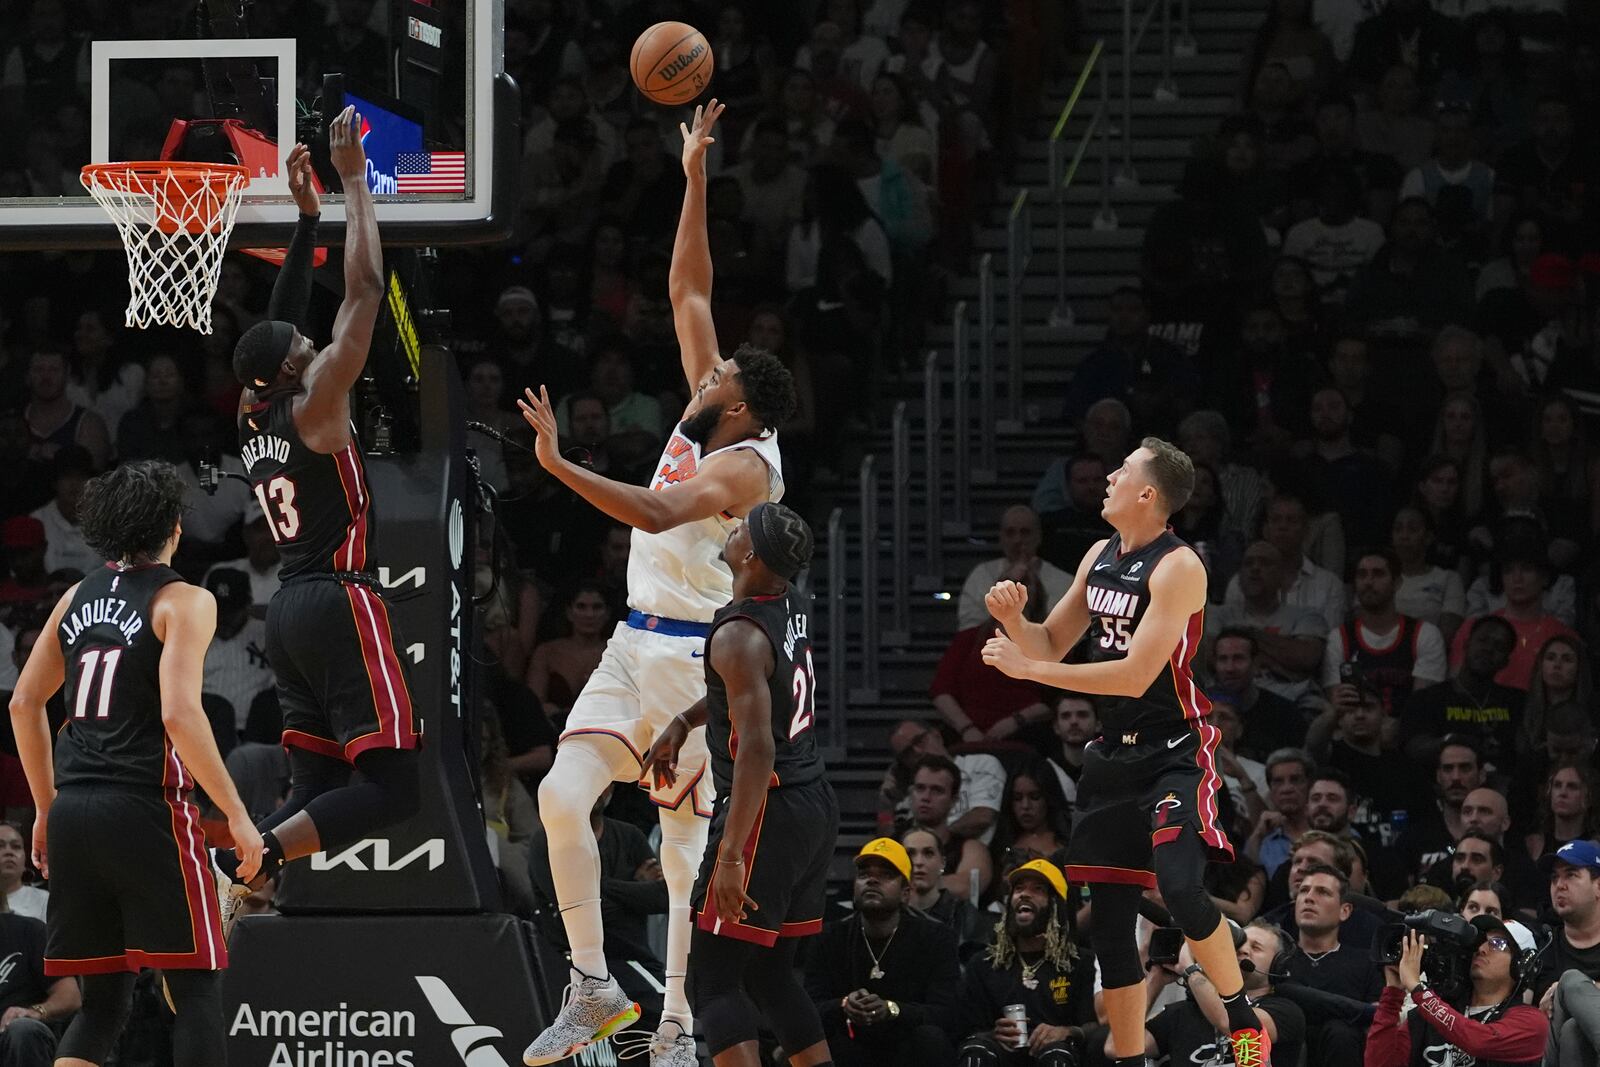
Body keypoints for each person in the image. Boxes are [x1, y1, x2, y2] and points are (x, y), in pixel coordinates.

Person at [517, 101, 797, 1065]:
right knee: (561, 796)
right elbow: (688, 289)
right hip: (632, 643)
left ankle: (677, 1022)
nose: (703, 371)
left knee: (682, 855)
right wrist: (693, 178)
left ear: (741, 405)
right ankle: (592, 984)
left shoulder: (745, 468)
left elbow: (654, 512)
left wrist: (559, 466)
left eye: (717, 378)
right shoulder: (708, 404)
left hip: (693, 659)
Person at [980, 438, 1273, 1066]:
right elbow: (1052, 642)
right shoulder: (1097, 554)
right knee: (1111, 931)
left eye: (1121, 471)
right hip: (1112, 756)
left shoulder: (1180, 566)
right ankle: (1129, 1060)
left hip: (1174, 749)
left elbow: (1135, 675)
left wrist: (1027, 667)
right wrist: (1014, 622)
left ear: (1148, 494)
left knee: (1182, 888)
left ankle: (1243, 1019)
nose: (1107, 477)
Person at [6, 460, 262, 1067]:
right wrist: (238, 813)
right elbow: (180, 715)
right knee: (197, 989)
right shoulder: (186, 600)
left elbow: (23, 702)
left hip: (74, 814)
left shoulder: (75, 595)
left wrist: (45, 809)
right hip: (145, 811)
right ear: (174, 526)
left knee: (103, 1010)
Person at [226, 117, 423, 896]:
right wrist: (350, 183)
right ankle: (257, 857)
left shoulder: (252, 407)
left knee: (312, 788)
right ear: (293, 370)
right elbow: (366, 290)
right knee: (394, 789)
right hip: (342, 600)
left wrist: (304, 222)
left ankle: (244, 868)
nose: (315, 343)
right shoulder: (317, 402)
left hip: (288, 613)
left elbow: (281, 324)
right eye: (305, 347)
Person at [638, 503, 836, 1067]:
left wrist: (729, 855)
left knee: (715, 979)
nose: (732, 529)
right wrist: (683, 721)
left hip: (768, 805)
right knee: (772, 977)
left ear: (750, 555)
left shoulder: (737, 636)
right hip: (812, 802)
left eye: (742, 527)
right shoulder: (787, 604)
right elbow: (749, 692)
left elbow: (757, 748)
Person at [802, 839, 961, 1067]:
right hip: (850, 1046)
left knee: (930, 1038)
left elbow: (947, 1013)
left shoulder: (935, 937)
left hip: (907, 1047)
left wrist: (892, 1010)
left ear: (905, 893)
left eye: (886, 875)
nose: (872, 880)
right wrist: (844, 1005)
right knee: (819, 1041)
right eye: (864, 874)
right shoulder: (829, 937)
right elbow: (810, 1006)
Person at [956, 860, 1095, 1067]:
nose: (1024, 894)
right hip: (1001, 1053)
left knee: (1057, 1057)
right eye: (1019, 889)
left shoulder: (1080, 963)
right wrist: (994, 1032)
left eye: (1038, 889)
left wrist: (1067, 1031)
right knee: (976, 1052)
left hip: (1056, 1052)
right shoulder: (984, 963)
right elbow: (967, 1028)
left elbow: (1097, 1025)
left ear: (1056, 905)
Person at [1366, 921, 1547, 1067]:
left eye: (1497, 943)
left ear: (1522, 965)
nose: (1481, 949)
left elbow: (1479, 1042)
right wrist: (1393, 994)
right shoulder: (1427, 1014)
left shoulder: (1532, 1022)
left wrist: (1417, 988)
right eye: (1481, 942)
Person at [1134, 920, 1306, 1067]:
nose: (1242, 950)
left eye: (1256, 947)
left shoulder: (1287, 1012)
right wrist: (1156, 979)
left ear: (1278, 965)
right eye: (1238, 945)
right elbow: (1119, 1047)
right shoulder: (1181, 1013)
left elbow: (1234, 1024)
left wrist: (1190, 971)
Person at [1320, 549, 1447, 718]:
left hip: (1409, 734)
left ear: (1397, 583)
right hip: (1356, 733)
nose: (1369, 582)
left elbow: (1422, 707)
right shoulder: (1338, 638)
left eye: (1378, 574)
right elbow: (1339, 706)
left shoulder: (1426, 634)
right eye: (1362, 575)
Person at [957, 506, 1073, 631]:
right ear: (1001, 537)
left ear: (1039, 536)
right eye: (1010, 532)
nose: (1017, 540)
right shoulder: (980, 575)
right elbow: (968, 630)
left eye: (1025, 532)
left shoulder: (1064, 581)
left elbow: (1069, 633)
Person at [899, 827, 988, 954]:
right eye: (910, 854)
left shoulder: (965, 916)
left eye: (928, 853)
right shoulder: (889, 914)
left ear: (942, 863)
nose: (918, 862)